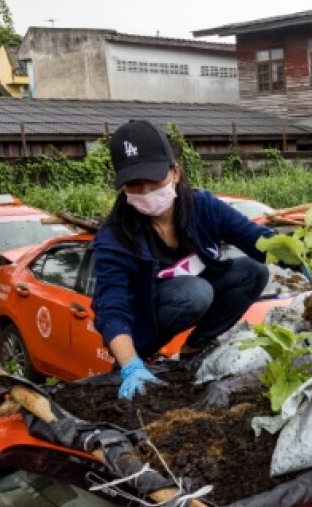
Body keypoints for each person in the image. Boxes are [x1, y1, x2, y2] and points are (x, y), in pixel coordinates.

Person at [92, 120, 273, 400]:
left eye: (153, 182)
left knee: (252, 271)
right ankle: (143, 362)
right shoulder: (116, 236)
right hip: (148, 325)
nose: (145, 193)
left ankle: (193, 349)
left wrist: (302, 252)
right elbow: (111, 305)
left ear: (174, 172)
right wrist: (129, 363)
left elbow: (255, 239)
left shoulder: (202, 208)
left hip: (196, 298)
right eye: (134, 185)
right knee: (195, 292)